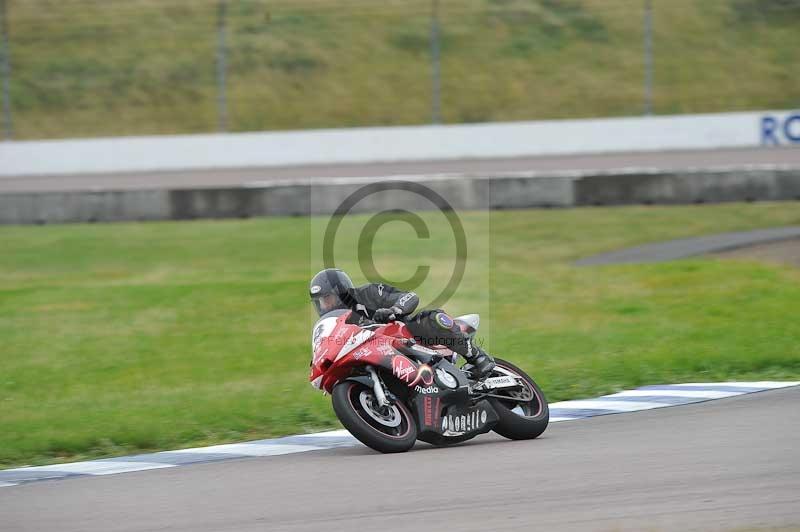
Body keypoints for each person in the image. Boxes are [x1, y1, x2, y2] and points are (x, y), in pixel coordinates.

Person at [309, 268, 496, 378]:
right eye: (319, 301)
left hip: (407, 339)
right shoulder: (333, 324)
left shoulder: (369, 293)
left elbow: (409, 297)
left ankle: (477, 357)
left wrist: (394, 311)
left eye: (327, 298)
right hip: (375, 357)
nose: (324, 305)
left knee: (433, 318)